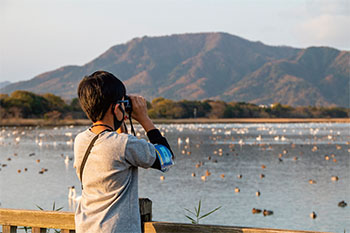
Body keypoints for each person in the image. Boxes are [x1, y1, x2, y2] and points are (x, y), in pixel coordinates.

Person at [74, 71, 174, 233]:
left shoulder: (80, 140)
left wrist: (119, 117)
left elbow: (112, 145)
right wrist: (144, 119)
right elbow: (166, 159)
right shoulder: (124, 144)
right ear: (115, 108)